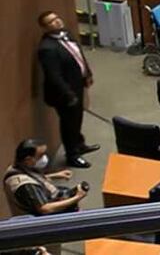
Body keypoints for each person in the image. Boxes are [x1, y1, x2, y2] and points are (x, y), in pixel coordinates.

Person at [36, 12, 96, 169]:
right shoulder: (47, 49)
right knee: (69, 124)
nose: (57, 22)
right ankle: (72, 155)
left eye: (57, 18)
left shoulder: (66, 35)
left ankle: (79, 144)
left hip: (78, 84)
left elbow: (79, 56)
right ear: (45, 28)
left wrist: (87, 73)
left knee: (77, 118)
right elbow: (54, 76)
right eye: (51, 22)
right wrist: (69, 94)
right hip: (64, 93)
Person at [4, 139, 87, 216]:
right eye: (40, 155)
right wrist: (77, 197)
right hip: (40, 219)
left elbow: (33, 178)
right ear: (28, 159)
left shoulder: (17, 167)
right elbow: (45, 209)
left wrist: (55, 175)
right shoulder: (27, 186)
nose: (44, 158)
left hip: (43, 198)